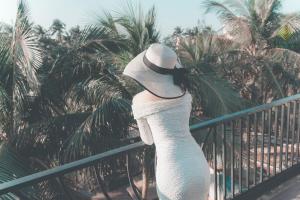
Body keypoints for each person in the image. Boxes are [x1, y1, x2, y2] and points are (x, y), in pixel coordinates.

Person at [123, 43, 210, 200]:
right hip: (199, 166)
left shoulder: (139, 101)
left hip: (173, 173)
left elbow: (148, 140)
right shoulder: (184, 93)